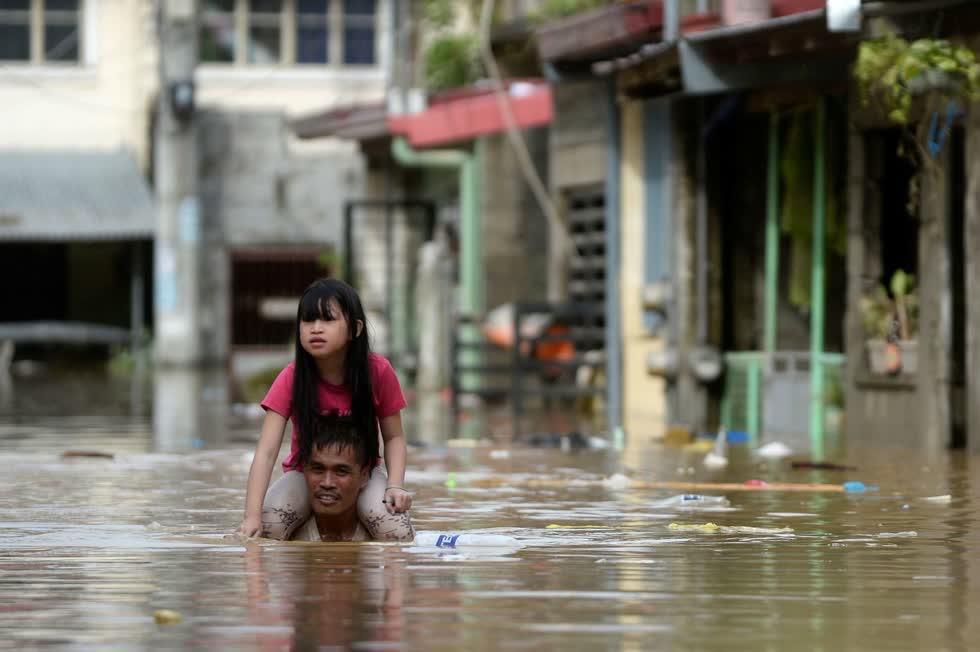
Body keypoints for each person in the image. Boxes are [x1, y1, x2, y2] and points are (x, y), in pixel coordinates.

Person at [237, 278, 414, 541]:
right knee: (268, 527)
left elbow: (394, 437)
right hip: (306, 475)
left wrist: (395, 485)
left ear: (355, 329)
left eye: (328, 320)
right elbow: (266, 451)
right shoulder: (291, 377)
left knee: (396, 532)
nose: (316, 329)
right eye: (308, 321)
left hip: (362, 474)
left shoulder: (378, 372)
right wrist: (251, 517)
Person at [290, 413, 376, 542]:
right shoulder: (284, 534)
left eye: (341, 471)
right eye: (318, 469)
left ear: (364, 476)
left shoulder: (385, 536)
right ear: (304, 470)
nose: (327, 483)